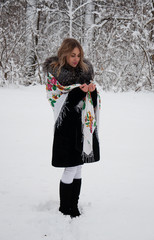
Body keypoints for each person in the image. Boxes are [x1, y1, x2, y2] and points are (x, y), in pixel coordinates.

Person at [43, 38, 100, 218]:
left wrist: (91, 90)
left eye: (78, 55)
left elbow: (91, 102)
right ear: (64, 54)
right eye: (72, 55)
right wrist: (78, 92)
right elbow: (59, 103)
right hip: (67, 129)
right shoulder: (56, 75)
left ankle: (73, 206)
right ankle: (64, 208)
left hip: (83, 127)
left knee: (79, 167)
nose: (76, 59)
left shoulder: (85, 73)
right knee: (70, 167)